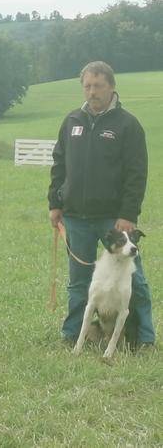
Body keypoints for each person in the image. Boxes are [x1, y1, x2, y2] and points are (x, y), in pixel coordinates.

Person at [48, 61, 155, 348]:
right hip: (75, 217)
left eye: (98, 86)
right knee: (79, 281)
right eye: (87, 86)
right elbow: (59, 164)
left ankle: (145, 337)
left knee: (135, 281)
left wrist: (128, 214)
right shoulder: (71, 122)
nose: (92, 92)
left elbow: (137, 174)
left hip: (114, 219)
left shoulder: (128, 125)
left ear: (111, 87)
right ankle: (72, 335)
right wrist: (54, 204)